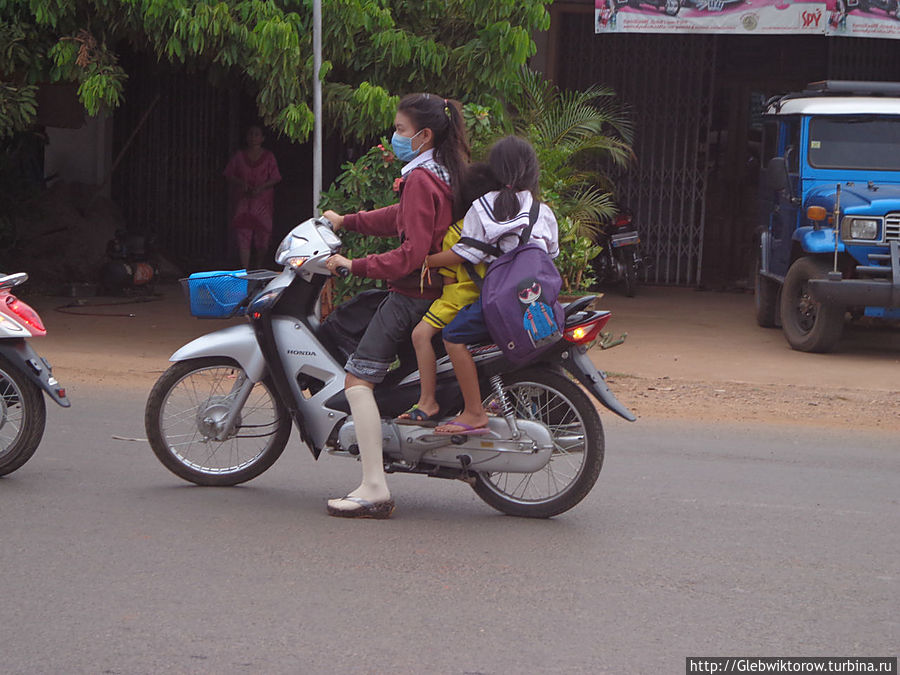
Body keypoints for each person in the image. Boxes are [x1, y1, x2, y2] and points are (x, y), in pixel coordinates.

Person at [321, 93, 469, 519]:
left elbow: (412, 252)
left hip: (412, 295)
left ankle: (373, 487)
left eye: (401, 130)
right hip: (430, 290)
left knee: (357, 381)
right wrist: (348, 221)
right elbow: (400, 216)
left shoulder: (422, 178)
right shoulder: (438, 172)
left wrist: (356, 265)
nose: (395, 137)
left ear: (423, 135)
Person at [429, 136, 560, 436]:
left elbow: (468, 253)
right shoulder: (543, 212)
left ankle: (474, 411)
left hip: (502, 301)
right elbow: (550, 257)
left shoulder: (481, 208)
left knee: (452, 336)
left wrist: (427, 260)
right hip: (537, 301)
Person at [394, 163, 499, 426]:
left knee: (420, 335)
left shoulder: (457, 231)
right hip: (487, 293)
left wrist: (426, 260)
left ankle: (428, 401)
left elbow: (451, 274)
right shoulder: (492, 224)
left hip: (461, 294)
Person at [223, 125, 282, 269]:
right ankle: (246, 270)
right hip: (243, 203)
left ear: (262, 138)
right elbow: (228, 174)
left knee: (263, 236)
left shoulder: (269, 157)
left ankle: (258, 266)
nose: (253, 137)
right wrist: (241, 184)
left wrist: (261, 187)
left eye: (257, 134)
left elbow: (276, 177)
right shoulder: (239, 156)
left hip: (263, 204)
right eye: (251, 134)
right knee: (243, 235)